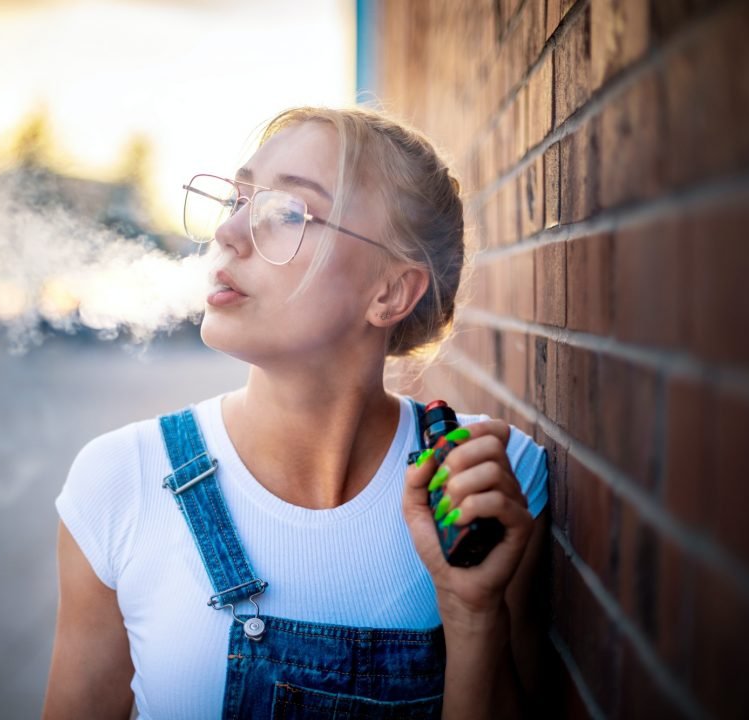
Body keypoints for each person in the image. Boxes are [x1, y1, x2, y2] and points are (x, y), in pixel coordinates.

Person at [42, 106, 550, 719]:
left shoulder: (485, 485)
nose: (229, 233)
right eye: (237, 200)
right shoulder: (121, 480)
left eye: (286, 213)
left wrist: (473, 614)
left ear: (390, 291)